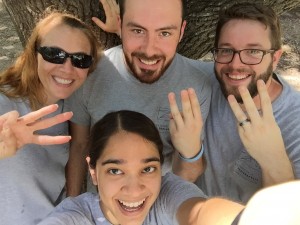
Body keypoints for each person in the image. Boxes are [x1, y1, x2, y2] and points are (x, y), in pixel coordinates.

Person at [65, 0, 211, 196]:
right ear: (120, 25)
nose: (150, 50)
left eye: (165, 33)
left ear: (182, 31)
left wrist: (190, 151)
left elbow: (187, 175)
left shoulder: (195, 86)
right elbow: (79, 146)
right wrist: (72, 203)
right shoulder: (90, 74)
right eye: (137, 31)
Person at [39, 110, 245, 225]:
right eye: (115, 171)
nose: (134, 190)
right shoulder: (75, 217)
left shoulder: (168, 194)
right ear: (93, 172)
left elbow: (201, 214)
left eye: (147, 169)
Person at [0, 11, 102, 225]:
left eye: (80, 59)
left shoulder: (76, 109)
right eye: (54, 54)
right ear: (33, 53)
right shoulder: (4, 103)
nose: (67, 68)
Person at [193, 2, 300, 203]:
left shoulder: (295, 123)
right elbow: (161, 59)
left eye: (253, 52)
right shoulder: (206, 80)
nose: (235, 64)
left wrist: (275, 161)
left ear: (275, 58)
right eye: (226, 50)